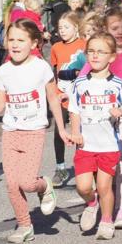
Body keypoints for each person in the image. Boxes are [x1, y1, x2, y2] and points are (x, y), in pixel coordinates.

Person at [0, 19, 67, 243]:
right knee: (12, 184)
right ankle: (24, 226)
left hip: (34, 131)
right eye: (11, 39)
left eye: (20, 40)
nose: (14, 44)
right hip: (10, 131)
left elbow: (53, 98)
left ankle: (44, 185)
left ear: (34, 43)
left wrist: (61, 129)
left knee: (27, 183)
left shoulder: (41, 67)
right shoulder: (3, 71)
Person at [79, 6, 122, 228]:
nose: (120, 32)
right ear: (106, 28)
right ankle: (100, 200)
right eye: (114, 27)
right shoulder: (100, 52)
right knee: (104, 161)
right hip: (101, 112)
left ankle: (121, 210)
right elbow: (81, 80)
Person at [66, 33, 122, 240]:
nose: (95, 56)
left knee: (105, 185)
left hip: (108, 145)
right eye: (91, 51)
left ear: (112, 57)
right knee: (83, 186)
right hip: (86, 145)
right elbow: (74, 110)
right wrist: (76, 132)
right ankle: (91, 203)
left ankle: (106, 220)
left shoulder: (118, 84)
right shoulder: (79, 84)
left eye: (101, 52)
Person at [49, 11, 87, 188]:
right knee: (59, 132)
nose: (62, 31)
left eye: (66, 27)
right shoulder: (56, 47)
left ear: (76, 27)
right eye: (60, 28)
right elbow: (56, 72)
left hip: (80, 96)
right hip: (61, 95)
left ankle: (84, 165)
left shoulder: (84, 45)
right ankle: (60, 167)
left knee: (81, 132)